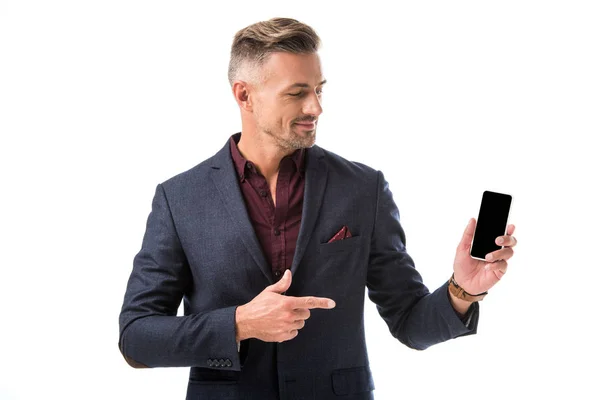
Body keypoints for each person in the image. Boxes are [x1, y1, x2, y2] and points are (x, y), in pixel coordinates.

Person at [118, 17, 518, 400]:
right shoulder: (180, 198)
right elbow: (137, 337)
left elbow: (410, 323)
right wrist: (239, 324)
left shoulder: (362, 188)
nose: (315, 108)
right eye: (297, 93)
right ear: (244, 95)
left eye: (319, 90)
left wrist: (463, 290)